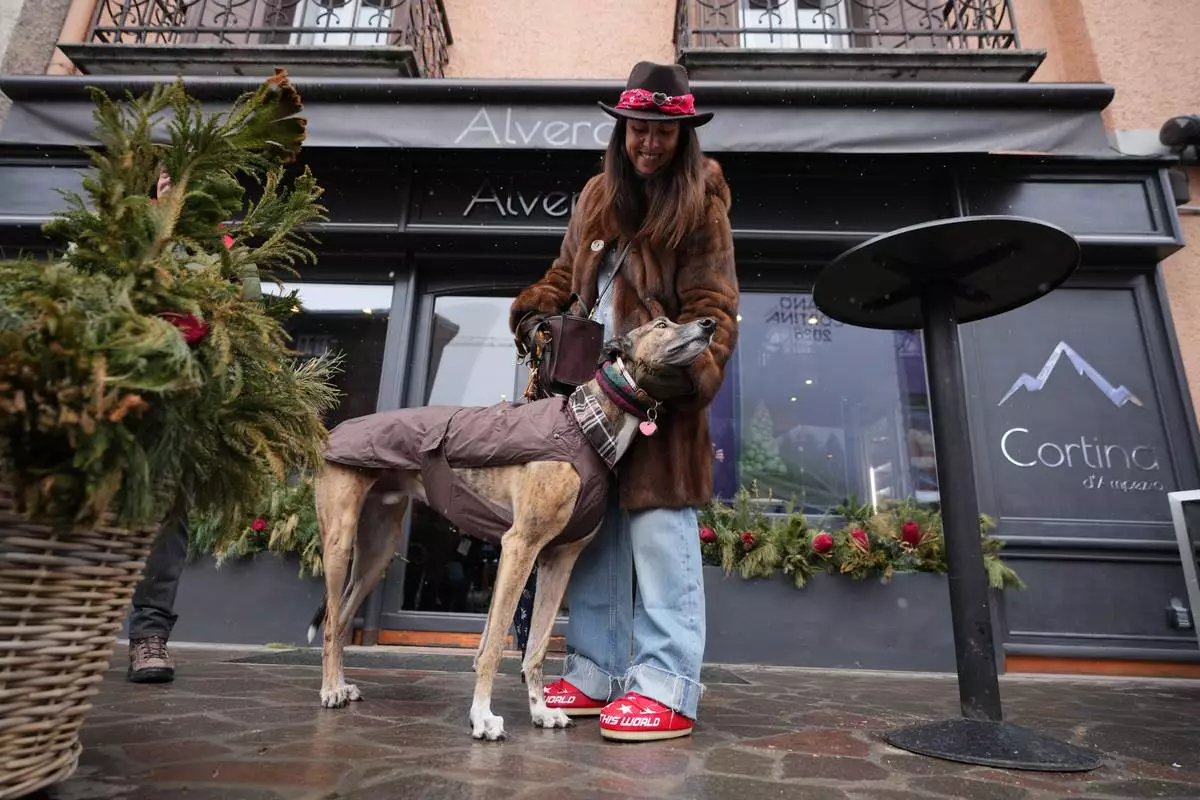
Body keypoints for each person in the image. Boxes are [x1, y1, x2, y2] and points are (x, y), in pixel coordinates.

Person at [509, 61, 739, 742]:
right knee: (592, 535)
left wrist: (689, 373)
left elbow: (714, 307)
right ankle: (595, 671)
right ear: (623, 129)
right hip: (587, 402)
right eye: (639, 128)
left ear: (682, 136)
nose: (648, 142)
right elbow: (562, 275)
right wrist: (533, 312)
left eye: (663, 131)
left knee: (660, 536)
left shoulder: (703, 198)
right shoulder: (595, 195)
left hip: (659, 401)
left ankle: (667, 684)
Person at [126, 168, 190, 684]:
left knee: (167, 520)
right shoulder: (123, 237)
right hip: (110, 393)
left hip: (178, 407)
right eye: (169, 180)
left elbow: (247, 314)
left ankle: (150, 636)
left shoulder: (220, 251)